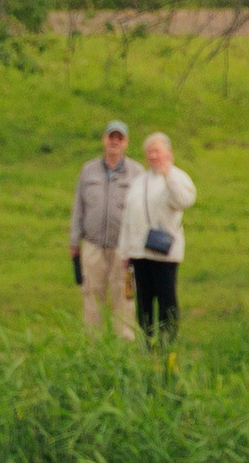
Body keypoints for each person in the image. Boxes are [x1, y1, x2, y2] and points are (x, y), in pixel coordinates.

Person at [118, 133, 197, 343]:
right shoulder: (139, 181)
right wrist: (124, 251)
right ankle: (147, 342)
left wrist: (167, 174)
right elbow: (128, 217)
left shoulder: (178, 176)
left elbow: (184, 200)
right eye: (150, 152)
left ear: (168, 153)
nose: (153, 155)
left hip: (165, 252)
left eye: (157, 151)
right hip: (140, 252)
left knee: (166, 299)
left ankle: (168, 341)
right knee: (143, 301)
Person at [69, 120, 139, 341]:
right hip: (93, 246)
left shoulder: (137, 173)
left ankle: (125, 343)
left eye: (120, 138)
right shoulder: (88, 170)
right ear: (104, 139)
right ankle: (92, 344)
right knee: (91, 294)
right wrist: (74, 242)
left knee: (125, 296)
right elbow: (78, 207)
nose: (114, 142)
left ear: (126, 143)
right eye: (111, 137)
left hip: (124, 248)